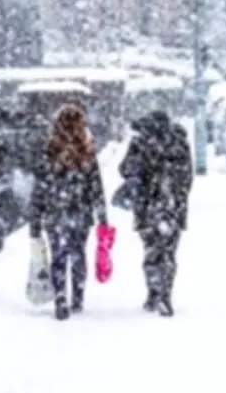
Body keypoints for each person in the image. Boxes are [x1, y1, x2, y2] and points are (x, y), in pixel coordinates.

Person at [29, 103, 108, 320]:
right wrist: (102, 216)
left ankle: (60, 297)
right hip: (80, 212)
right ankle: (78, 297)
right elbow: (96, 186)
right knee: (78, 255)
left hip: (56, 212)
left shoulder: (50, 149)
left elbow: (40, 187)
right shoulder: (87, 150)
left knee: (58, 256)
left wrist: (35, 219)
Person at [118, 111, 193, 317]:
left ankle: (154, 292)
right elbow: (187, 178)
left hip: (148, 207)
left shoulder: (141, 144)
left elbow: (124, 170)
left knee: (151, 251)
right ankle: (165, 294)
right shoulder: (179, 144)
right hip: (172, 207)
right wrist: (178, 198)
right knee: (168, 252)